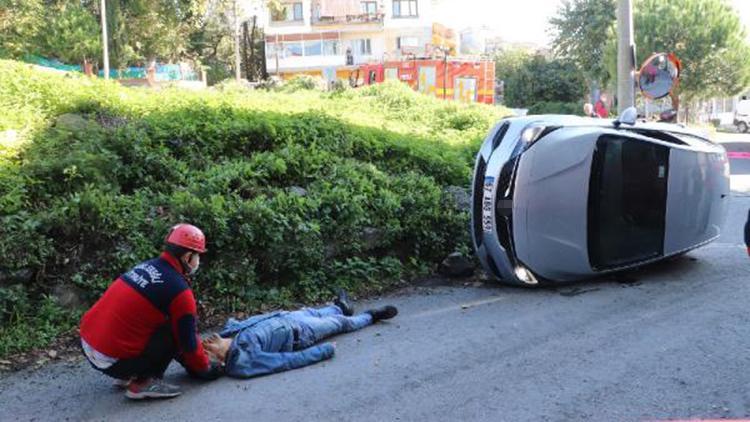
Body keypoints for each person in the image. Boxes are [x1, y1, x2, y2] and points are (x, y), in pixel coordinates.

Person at [79, 224, 223, 400]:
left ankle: (127, 373)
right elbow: (188, 341)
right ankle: (142, 383)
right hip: (111, 360)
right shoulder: (179, 291)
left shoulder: (146, 266)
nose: (198, 260)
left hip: (88, 345)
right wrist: (205, 370)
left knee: (155, 321)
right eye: (198, 255)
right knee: (175, 329)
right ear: (187, 257)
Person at [202, 290, 398, 378]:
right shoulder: (243, 361)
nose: (206, 342)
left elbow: (238, 323)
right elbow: (286, 361)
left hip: (287, 317)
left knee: (316, 311)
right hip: (301, 333)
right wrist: (324, 351)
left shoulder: (228, 333)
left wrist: (230, 328)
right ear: (220, 363)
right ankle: (371, 316)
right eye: (207, 350)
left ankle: (341, 307)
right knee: (340, 324)